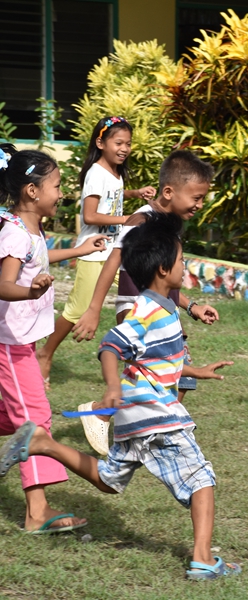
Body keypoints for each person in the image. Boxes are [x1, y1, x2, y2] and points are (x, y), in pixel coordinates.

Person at [0, 212, 238, 579]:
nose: (184, 266)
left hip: (135, 415)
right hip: (156, 414)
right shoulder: (145, 310)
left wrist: (195, 371)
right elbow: (111, 345)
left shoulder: (164, 306)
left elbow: (159, 361)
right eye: (181, 260)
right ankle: (203, 559)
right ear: (163, 269)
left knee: (109, 480)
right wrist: (111, 385)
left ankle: (43, 444)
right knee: (202, 480)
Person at [70, 150, 220, 455]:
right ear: (169, 192)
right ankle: (102, 413)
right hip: (136, 309)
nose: (200, 204)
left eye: (203, 198)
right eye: (196, 197)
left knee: (175, 378)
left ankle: (151, 429)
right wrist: (94, 309)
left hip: (162, 310)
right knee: (155, 373)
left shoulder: (170, 222)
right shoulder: (142, 219)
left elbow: (163, 278)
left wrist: (191, 307)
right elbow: (113, 262)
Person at [0, 145, 109, 533]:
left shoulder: (30, 230)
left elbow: (40, 258)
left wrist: (79, 249)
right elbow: (4, 284)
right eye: (57, 186)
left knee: (16, 418)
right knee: (35, 422)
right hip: (10, 346)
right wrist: (30, 292)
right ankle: (37, 512)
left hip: (21, 343)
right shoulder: (14, 234)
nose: (62, 193)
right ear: (32, 191)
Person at [36, 116, 155, 390]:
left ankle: (133, 362)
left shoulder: (114, 172)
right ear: (100, 143)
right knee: (77, 310)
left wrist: (135, 193)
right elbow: (90, 215)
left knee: (137, 296)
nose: (124, 149)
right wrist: (128, 220)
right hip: (94, 253)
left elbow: (111, 197)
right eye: (118, 143)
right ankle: (45, 353)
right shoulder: (95, 173)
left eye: (128, 144)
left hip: (116, 251)